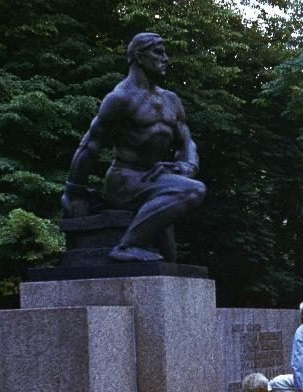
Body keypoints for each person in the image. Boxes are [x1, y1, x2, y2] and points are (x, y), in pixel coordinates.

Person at [61, 33, 206, 262]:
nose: (165, 58)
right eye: (158, 52)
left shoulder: (171, 100)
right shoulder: (121, 98)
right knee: (194, 190)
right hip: (124, 180)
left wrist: (187, 165)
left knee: (170, 261)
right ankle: (127, 246)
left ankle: (135, 244)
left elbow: (186, 142)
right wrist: (73, 192)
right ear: (139, 56)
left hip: (155, 178)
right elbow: (90, 145)